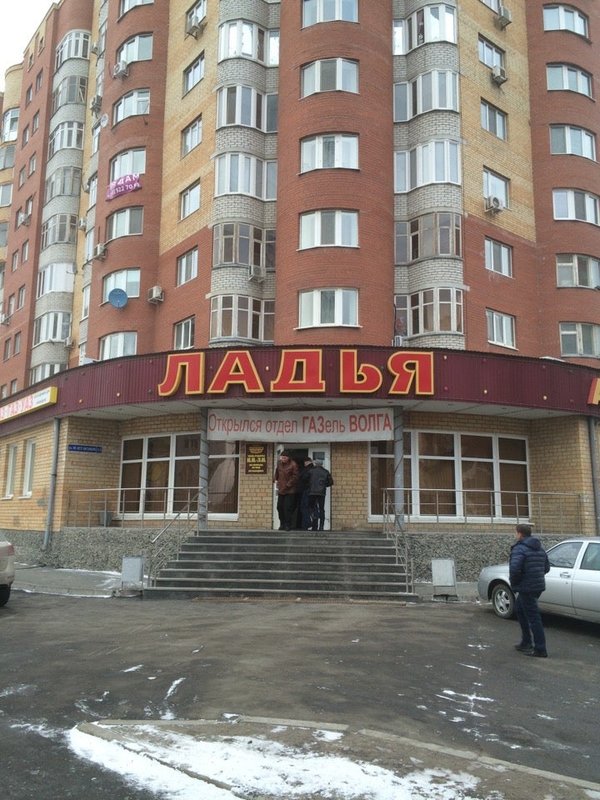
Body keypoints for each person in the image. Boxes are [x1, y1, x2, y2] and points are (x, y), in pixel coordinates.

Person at [509, 523, 550, 658]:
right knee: (520, 610)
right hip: (537, 586)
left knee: (533, 618)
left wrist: (515, 584)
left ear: (520, 534)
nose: (515, 535)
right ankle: (526, 642)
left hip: (526, 587)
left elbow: (515, 569)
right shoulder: (539, 548)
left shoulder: (519, 549)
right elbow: (546, 568)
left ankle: (540, 648)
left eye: (516, 532)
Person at [273, 451, 299, 531]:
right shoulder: (279, 464)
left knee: (287, 508)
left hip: (290, 490)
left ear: (288, 458)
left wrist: (288, 485)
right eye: (282, 457)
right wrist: (275, 480)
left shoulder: (293, 464)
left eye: (285, 457)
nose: (283, 459)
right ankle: (282, 523)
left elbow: (295, 477)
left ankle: (288, 524)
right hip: (281, 490)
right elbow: (277, 473)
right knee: (279, 507)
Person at [307, 459, 333, 531]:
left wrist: (309, 486)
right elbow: (331, 482)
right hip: (321, 493)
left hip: (312, 492)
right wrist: (324, 485)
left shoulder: (311, 471)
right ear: (322, 464)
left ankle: (314, 524)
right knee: (321, 509)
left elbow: (305, 479)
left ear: (315, 464)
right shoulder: (326, 472)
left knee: (312, 508)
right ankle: (321, 526)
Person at [297, 457, 315, 530]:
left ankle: (307, 524)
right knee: (313, 508)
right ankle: (314, 525)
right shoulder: (314, 469)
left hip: (306, 490)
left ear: (307, 462)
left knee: (304, 507)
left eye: (304, 462)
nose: (304, 464)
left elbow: (304, 478)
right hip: (314, 491)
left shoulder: (307, 469)